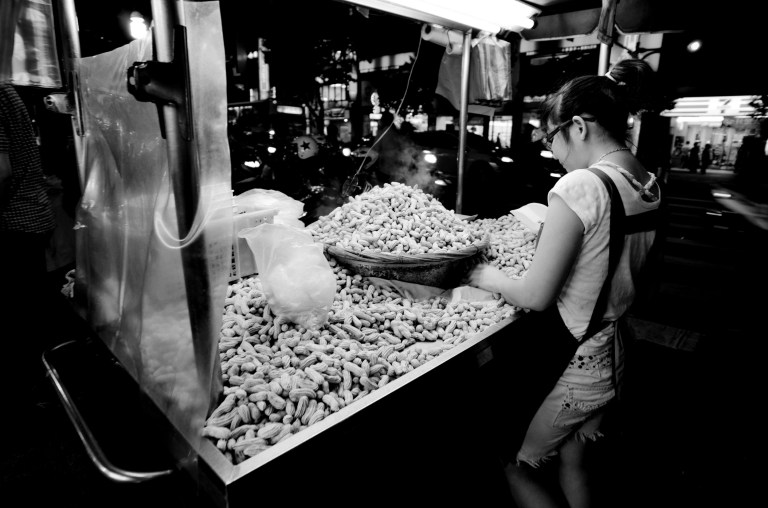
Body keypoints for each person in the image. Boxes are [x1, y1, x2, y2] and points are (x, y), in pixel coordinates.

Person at [468, 59, 661, 508]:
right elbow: (622, 264)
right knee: (574, 460)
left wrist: (482, 274)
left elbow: (535, 296)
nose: (552, 151)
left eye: (551, 137)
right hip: (615, 352)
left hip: (575, 362)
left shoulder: (582, 185)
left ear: (578, 126)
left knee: (516, 465)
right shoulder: (646, 181)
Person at [0, 83, 56, 407]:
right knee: (30, 314)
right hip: (30, 215)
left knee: (21, 321)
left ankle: (35, 397)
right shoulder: (7, 90)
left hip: (16, 223)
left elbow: (2, 172)